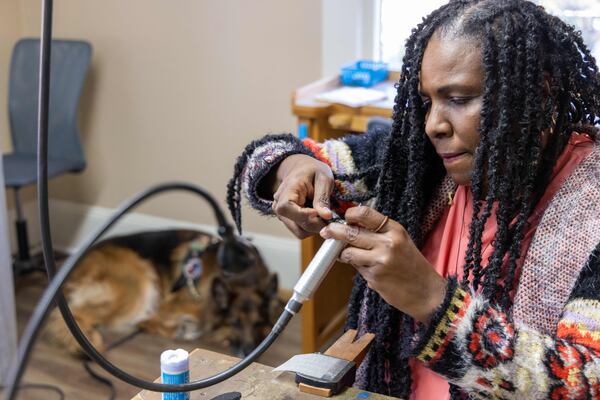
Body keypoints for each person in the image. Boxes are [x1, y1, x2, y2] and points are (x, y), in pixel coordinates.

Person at [227, 0, 600, 398]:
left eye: (458, 99)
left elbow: (585, 383)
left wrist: (432, 300)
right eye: (428, 102)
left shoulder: (590, 206)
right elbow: (263, 158)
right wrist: (292, 169)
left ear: (537, 92)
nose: (433, 125)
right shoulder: (421, 163)